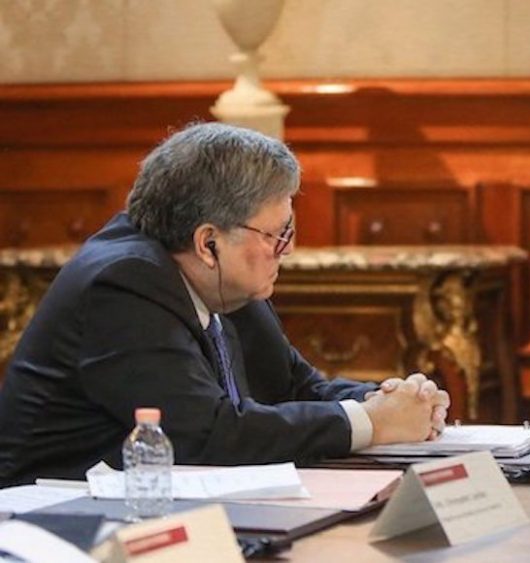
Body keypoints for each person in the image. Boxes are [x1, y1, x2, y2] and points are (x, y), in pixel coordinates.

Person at [0, 123, 450, 486]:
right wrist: (370, 422)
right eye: (277, 235)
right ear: (208, 243)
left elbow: (296, 387)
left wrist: (392, 401)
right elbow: (205, 434)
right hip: (53, 521)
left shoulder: (221, 279)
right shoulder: (121, 284)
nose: (287, 250)